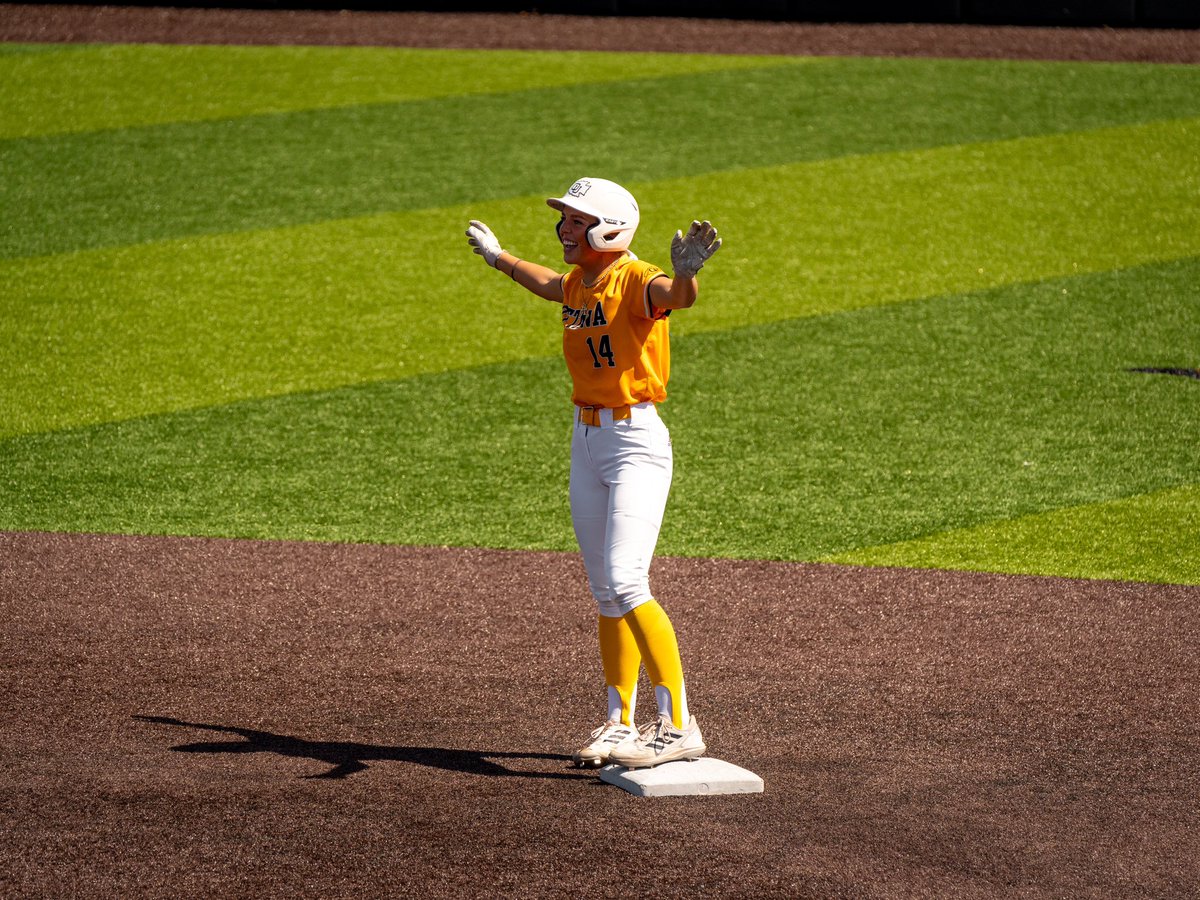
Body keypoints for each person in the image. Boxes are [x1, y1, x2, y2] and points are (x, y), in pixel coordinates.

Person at [465, 177, 721, 769]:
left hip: (635, 442)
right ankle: (619, 722)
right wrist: (499, 258)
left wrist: (686, 274)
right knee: (606, 593)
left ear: (607, 227)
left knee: (628, 581)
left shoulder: (636, 278)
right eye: (565, 219)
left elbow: (675, 298)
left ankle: (679, 724)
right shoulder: (581, 282)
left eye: (576, 221)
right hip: (585, 441)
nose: (564, 229)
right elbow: (551, 286)